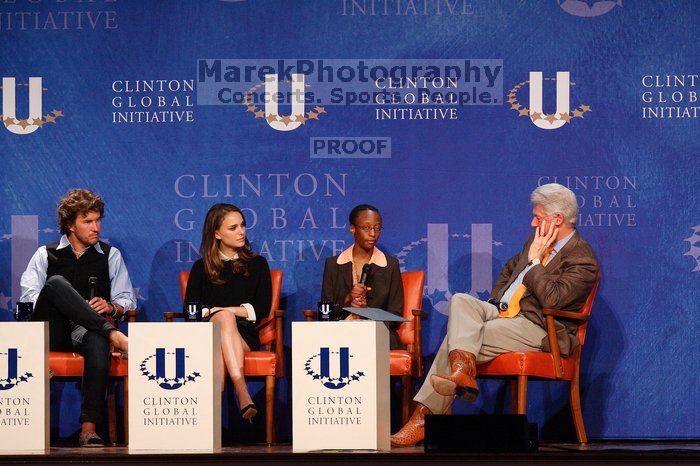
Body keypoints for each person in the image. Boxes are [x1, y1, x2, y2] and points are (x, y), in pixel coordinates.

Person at [390, 183, 599, 446]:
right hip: (503, 313)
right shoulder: (534, 242)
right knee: (461, 301)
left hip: (538, 327)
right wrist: (497, 303)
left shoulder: (582, 258)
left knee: (460, 337)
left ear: (557, 220)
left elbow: (553, 298)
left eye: (538, 217)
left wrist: (535, 263)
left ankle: (423, 416)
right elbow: (510, 272)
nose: (533, 223)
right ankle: (462, 372)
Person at [20, 189, 134, 447]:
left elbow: (127, 299)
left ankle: (88, 429)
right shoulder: (45, 254)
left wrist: (111, 307)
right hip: (53, 330)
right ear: (70, 225)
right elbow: (29, 299)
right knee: (56, 284)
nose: (96, 228)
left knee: (97, 340)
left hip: (88, 330)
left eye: (98, 220)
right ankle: (114, 333)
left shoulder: (110, 255)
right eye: (87, 221)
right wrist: (68, 303)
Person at [184, 203, 271, 422]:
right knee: (221, 328)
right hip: (207, 336)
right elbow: (190, 311)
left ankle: (208, 420)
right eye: (233, 228)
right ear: (217, 233)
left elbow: (261, 308)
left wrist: (223, 311)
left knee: (224, 318)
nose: (241, 231)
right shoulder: (200, 268)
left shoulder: (258, 264)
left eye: (242, 225)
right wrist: (222, 314)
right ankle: (242, 391)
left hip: (243, 336)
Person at [321, 204, 404, 349]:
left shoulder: (390, 265)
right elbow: (325, 314)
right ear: (352, 229)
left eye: (377, 228)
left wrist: (367, 312)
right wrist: (346, 301)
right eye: (366, 228)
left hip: (377, 335)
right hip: (341, 334)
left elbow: (395, 316)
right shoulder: (333, 264)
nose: (373, 233)